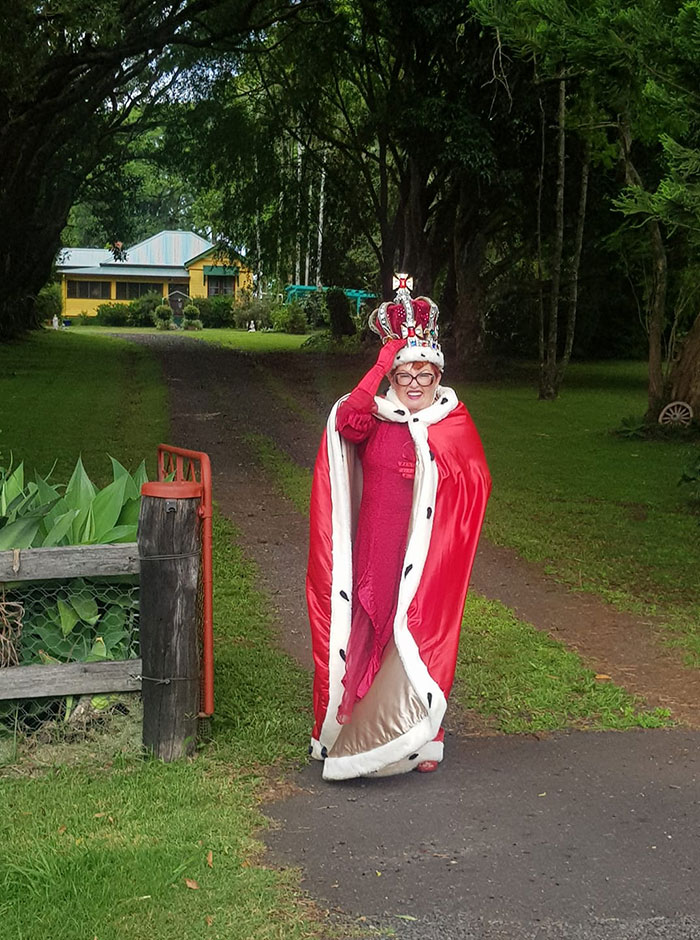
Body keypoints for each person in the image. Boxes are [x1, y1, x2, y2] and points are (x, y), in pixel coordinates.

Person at [306, 275, 491, 780]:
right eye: (404, 373)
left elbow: (475, 481)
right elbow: (347, 419)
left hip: (423, 557)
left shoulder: (450, 422)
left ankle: (425, 736)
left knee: (420, 635)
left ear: (438, 376)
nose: (414, 383)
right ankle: (358, 729)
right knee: (371, 628)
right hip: (377, 548)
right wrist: (381, 363)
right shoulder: (377, 417)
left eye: (424, 374)